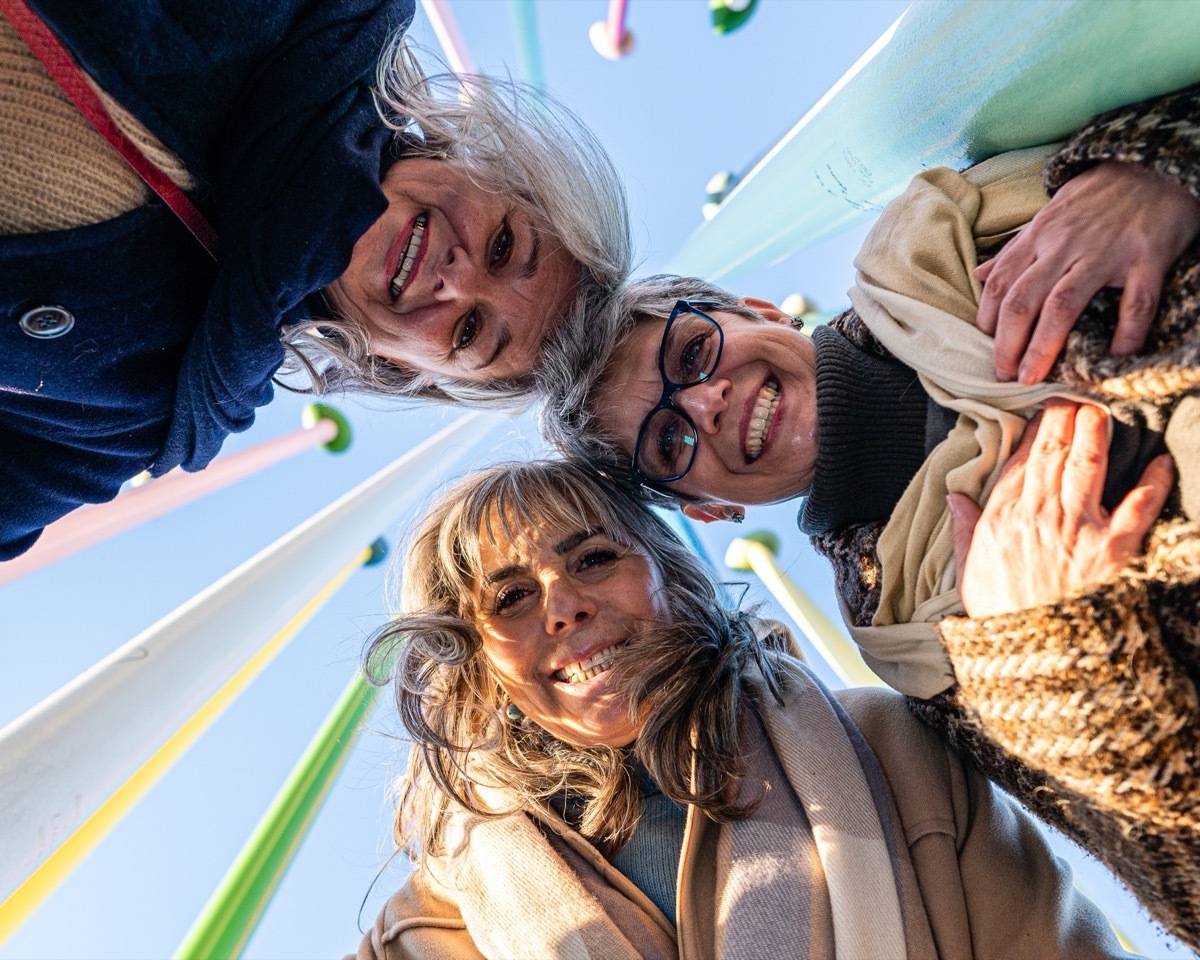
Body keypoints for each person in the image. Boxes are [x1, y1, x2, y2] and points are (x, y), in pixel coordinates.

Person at [539, 87, 1200, 946]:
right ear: (710, 504)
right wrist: (1063, 649)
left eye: (694, 351)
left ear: (760, 312)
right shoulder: (932, 648)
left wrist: (1165, 167)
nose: (704, 403)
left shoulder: (972, 231)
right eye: (668, 443)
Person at [352, 459, 1129, 959]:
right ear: (480, 668)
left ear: (671, 577)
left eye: (593, 558)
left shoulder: (890, 746)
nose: (564, 607)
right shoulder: (439, 918)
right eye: (511, 599)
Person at [0, 0, 631, 560]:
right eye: (502, 244)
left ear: (405, 368)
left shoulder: (138, 409)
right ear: (483, 163)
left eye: (469, 331)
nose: (457, 282)